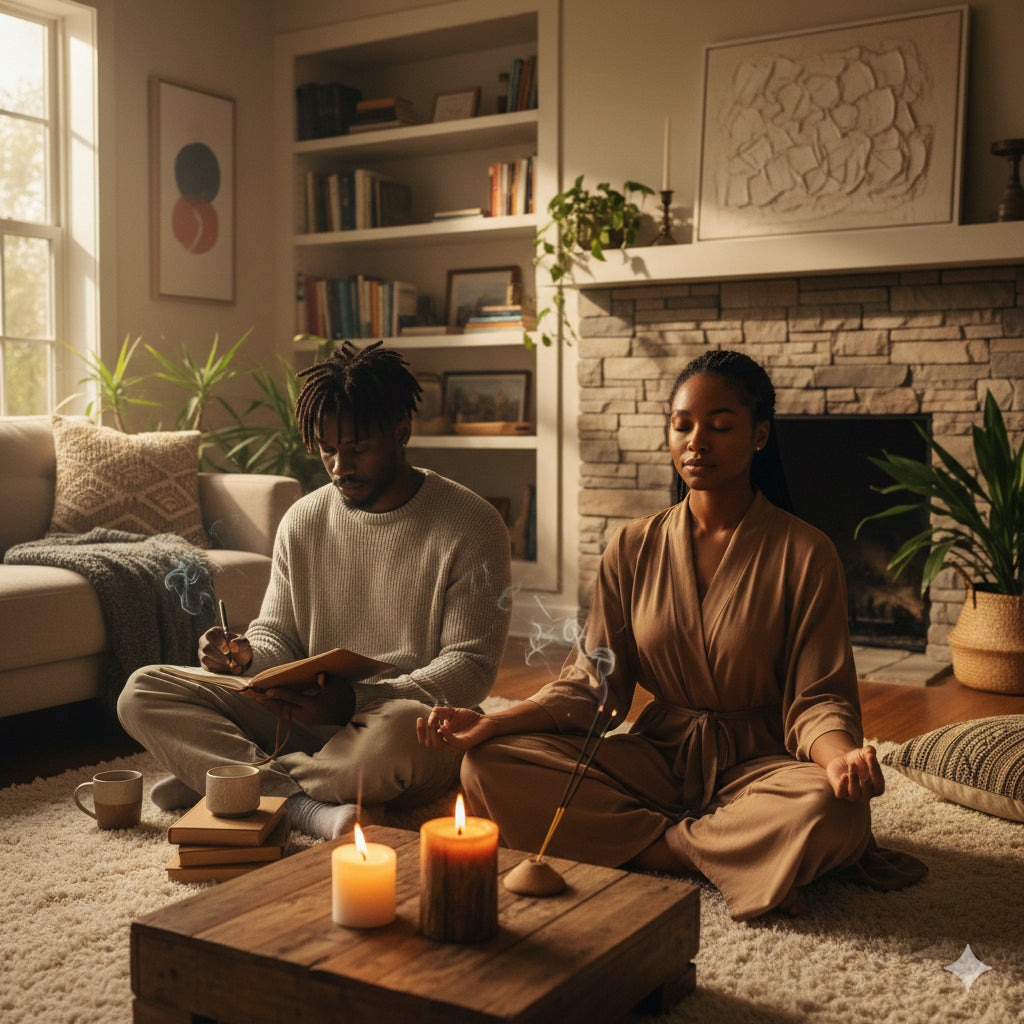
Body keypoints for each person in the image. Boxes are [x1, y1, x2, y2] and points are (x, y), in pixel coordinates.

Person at [418, 348, 926, 921]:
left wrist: (838, 762)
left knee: (829, 810)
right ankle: (715, 854)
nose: (696, 441)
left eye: (720, 426)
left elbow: (820, 698)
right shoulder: (632, 546)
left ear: (760, 436)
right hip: (658, 757)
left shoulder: (805, 552)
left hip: (761, 764)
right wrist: (491, 721)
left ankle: (644, 845)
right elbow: (594, 687)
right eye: (682, 425)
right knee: (487, 764)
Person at [119, 341, 512, 839]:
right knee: (143, 690)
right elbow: (277, 633)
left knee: (387, 739)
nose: (339, 465)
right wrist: (244, 657)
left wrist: (356, 701)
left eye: (358, 449)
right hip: (305, 716)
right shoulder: (304, 518)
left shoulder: (472, 524)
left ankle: (228, 776)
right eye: (327, 449)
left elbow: (470, 667)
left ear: (401, 433)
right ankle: (302, 804)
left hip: (404, 724)